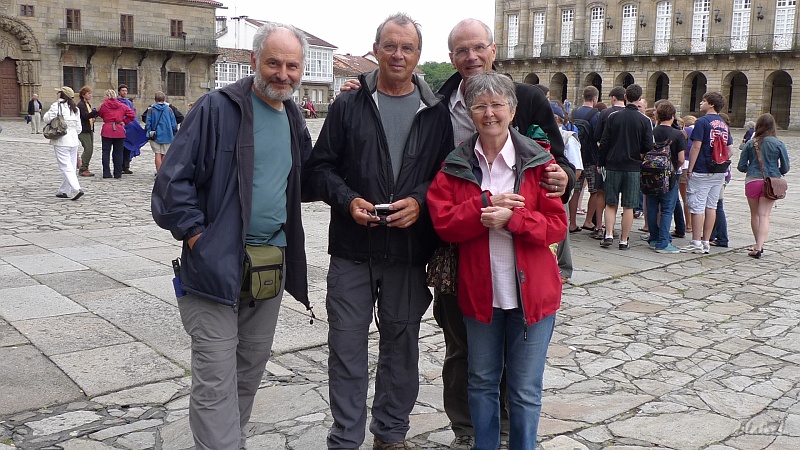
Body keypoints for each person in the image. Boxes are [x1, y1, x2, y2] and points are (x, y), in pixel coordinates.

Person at [152, 22, 313, 450]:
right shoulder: (217, 108)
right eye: (274, 62)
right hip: (214, 264)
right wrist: (195, 237)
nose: (283, 73)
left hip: (267, 266)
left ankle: (231, 441)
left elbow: (310, 179)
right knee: (214, 375)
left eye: (292, 65)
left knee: (249, 368)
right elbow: (172, 182)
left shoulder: (293, 116)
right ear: (255, 60)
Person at [305, 13, 453, 450]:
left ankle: (390, 434)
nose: (398, 54)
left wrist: (422, 202)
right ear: (375, 48)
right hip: (353, 248)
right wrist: (348, 199)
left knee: (401, 346)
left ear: (418, 55)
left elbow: (448, 175)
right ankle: (346, 438)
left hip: (409, 250)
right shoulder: (349, 105)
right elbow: (319, 169)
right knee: (346, 346)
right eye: (390, 45)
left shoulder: (436, 113)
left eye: (407, 47)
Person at [429, 19, 572, 449]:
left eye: (497, 106)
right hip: (478, 291)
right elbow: (443, 221)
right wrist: (482, 210)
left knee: (526, 390)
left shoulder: (538, 162)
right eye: (479, 107)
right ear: (468, 113)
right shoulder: (456, 163)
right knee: (479, 379)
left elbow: (557, 224)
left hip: (533, 291)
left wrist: (512, 220)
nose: (489, 113)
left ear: (512, 108)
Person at [599, 84, 653, 250]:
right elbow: (648, 145)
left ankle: (608, 234)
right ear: (639, 98)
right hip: (633, 167)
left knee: (610, 202)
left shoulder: (613, 117)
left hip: (613, 164)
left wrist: (601, 162)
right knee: (629, 205)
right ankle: (624, 240)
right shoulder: (645, 120)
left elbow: (605, 142)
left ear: (625, 98)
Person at [681, 92, 733, 254]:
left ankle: (696, 242)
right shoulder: (724, 124)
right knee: (711, 206)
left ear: (711, 104)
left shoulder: (702, 122)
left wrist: (691, 168)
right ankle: (706, 241)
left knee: (697, 205)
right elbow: (730, 150)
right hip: (719, 171)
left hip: (702, 169)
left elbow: (696, 147)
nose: (700, 103)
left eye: (703, 101)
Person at [737, 113, 790, 258]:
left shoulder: (750, 143)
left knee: (754, 214)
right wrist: (775, 172)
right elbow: (785, 167)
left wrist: (751, 170)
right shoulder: (778, 143)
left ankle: (756, 245)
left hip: (752, 181)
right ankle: (760, 246)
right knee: (764, 215)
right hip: (771, 182)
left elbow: (741, 166)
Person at [645, 101, 685, 253]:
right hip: (669, 176)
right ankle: (663, 243)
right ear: (673, 116)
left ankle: (653, 237)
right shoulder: (678, 135)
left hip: (649, 175)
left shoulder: (651, 132)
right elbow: (681, 158)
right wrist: (675, 168)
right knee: (667, 209)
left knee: (652, 207)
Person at [591, 86, 626, 239]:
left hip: (606, 159)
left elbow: (597, 136)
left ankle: (599, 227)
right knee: (617, 196)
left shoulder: (605, 113)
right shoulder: (636, 114)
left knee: (601, 192)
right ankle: (612, 228)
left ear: (612, 98)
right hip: (626, 161)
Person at [43, 87, 84, 200]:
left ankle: (76, 189)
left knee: (65, 166)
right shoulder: (75, 109)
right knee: (71, 165)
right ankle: (64, 190)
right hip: (74, 139)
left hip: (62, 139)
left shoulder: (57, 106)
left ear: (61, 94)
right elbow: (79, 128)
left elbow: (46, 118)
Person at [569, 86, 599, 234]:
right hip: (591, 158)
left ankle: (572, 223)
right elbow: (598, 136)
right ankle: (588, 221)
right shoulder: (596, 115)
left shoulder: (573, 113)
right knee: (594, 190)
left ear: (582, 97)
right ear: (595, 99)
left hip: (575, 157)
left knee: (575, 190)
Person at [96, 89, 135, 178]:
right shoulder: (122, 105)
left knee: (106, 152)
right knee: (118, 152)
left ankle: (106, 173)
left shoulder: (104, 105)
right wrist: (124, 121)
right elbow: (132, 115)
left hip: (107, 129)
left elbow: (100, 114)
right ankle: (118, 173)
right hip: (119, 130)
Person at [144, 91, 178, 173]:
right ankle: (163, 172)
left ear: (155, 99)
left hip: (155, 134)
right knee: (165, 154)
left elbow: (148, 123)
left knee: (157, 153)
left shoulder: (151, 109)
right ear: (164, 99)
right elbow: (174, 123)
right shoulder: (169, 110)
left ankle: (159, 172)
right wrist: (174, 131)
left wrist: (148, 131)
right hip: (168, 134)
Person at [117, 84, 142, 174]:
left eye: (126, 91)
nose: (124, 92)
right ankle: (119, 166)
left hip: (130, 128)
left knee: (128, 148)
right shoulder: (117, 102)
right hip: (120, 128)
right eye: (123, 90)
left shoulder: (128, 102)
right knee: (120, 148)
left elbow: (132, 115)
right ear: (119, 91)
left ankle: (126, 166)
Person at [77, 86, 99, 177]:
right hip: (83, 130)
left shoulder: (88, 104)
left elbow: (89, 116)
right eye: (88, 93)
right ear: (83, 95)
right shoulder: (81, 105)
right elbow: (85, 116)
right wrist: (95, 111)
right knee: (88, 149)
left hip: (89, 129)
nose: (90, 95)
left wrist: (94, 117)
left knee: (90, 149)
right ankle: (83, 168)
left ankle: (85, 167)